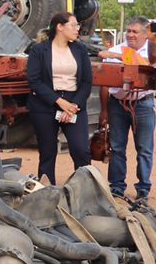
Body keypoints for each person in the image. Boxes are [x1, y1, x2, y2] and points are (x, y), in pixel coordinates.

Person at [25, 11, 92, 185]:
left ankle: (84, 188)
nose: (77, 28)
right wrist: (60, 102)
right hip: (45, 104)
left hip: (74, 103)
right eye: (74, 25)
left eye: (78, 25)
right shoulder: (39, 50)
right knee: (47, 152)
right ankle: (47, 191)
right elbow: (34, 80)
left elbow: (86, 81)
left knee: (81, 150)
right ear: (60, 27)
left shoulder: (80, 49)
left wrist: (73, 105)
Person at [98, 17, 154, 203]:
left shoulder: (151, 52)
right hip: (117, 104)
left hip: (143, 104)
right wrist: (104, 110)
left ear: (145, 35)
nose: (130, 34)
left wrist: (117, 56)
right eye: (128, 31)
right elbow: (104, 84)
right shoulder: (116, 49)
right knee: (117, 147)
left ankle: (143, 189)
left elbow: (145, 64)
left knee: (144, 149)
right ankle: (117, 187)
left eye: (135, 31)